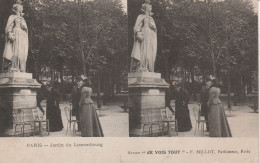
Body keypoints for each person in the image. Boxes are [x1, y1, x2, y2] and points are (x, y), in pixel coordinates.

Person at [130, 1, 157, 72]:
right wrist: (138, 33)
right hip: (144, 34)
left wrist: (153, 26)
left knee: (150, 51)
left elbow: (154, 27)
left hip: (151, 36)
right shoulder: (141, 17)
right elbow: (137, 26)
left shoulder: (151, 18)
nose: (151, 7)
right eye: (150, 7)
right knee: (143, 50)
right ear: (146, 8)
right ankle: (142, 67)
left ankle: (147, 67)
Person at [2, 0, 28, 72]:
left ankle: (20, 68)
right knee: (15, 50)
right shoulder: (12, 17)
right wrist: (9, 33)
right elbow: (9, 26)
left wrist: (25, 27)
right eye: (21, 8)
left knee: (21, 52)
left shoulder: (22, 18)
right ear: (18, 9)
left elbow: (25, 28)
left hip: (22, 36)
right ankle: (14, 67)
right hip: (16, 34)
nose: (22, 9)